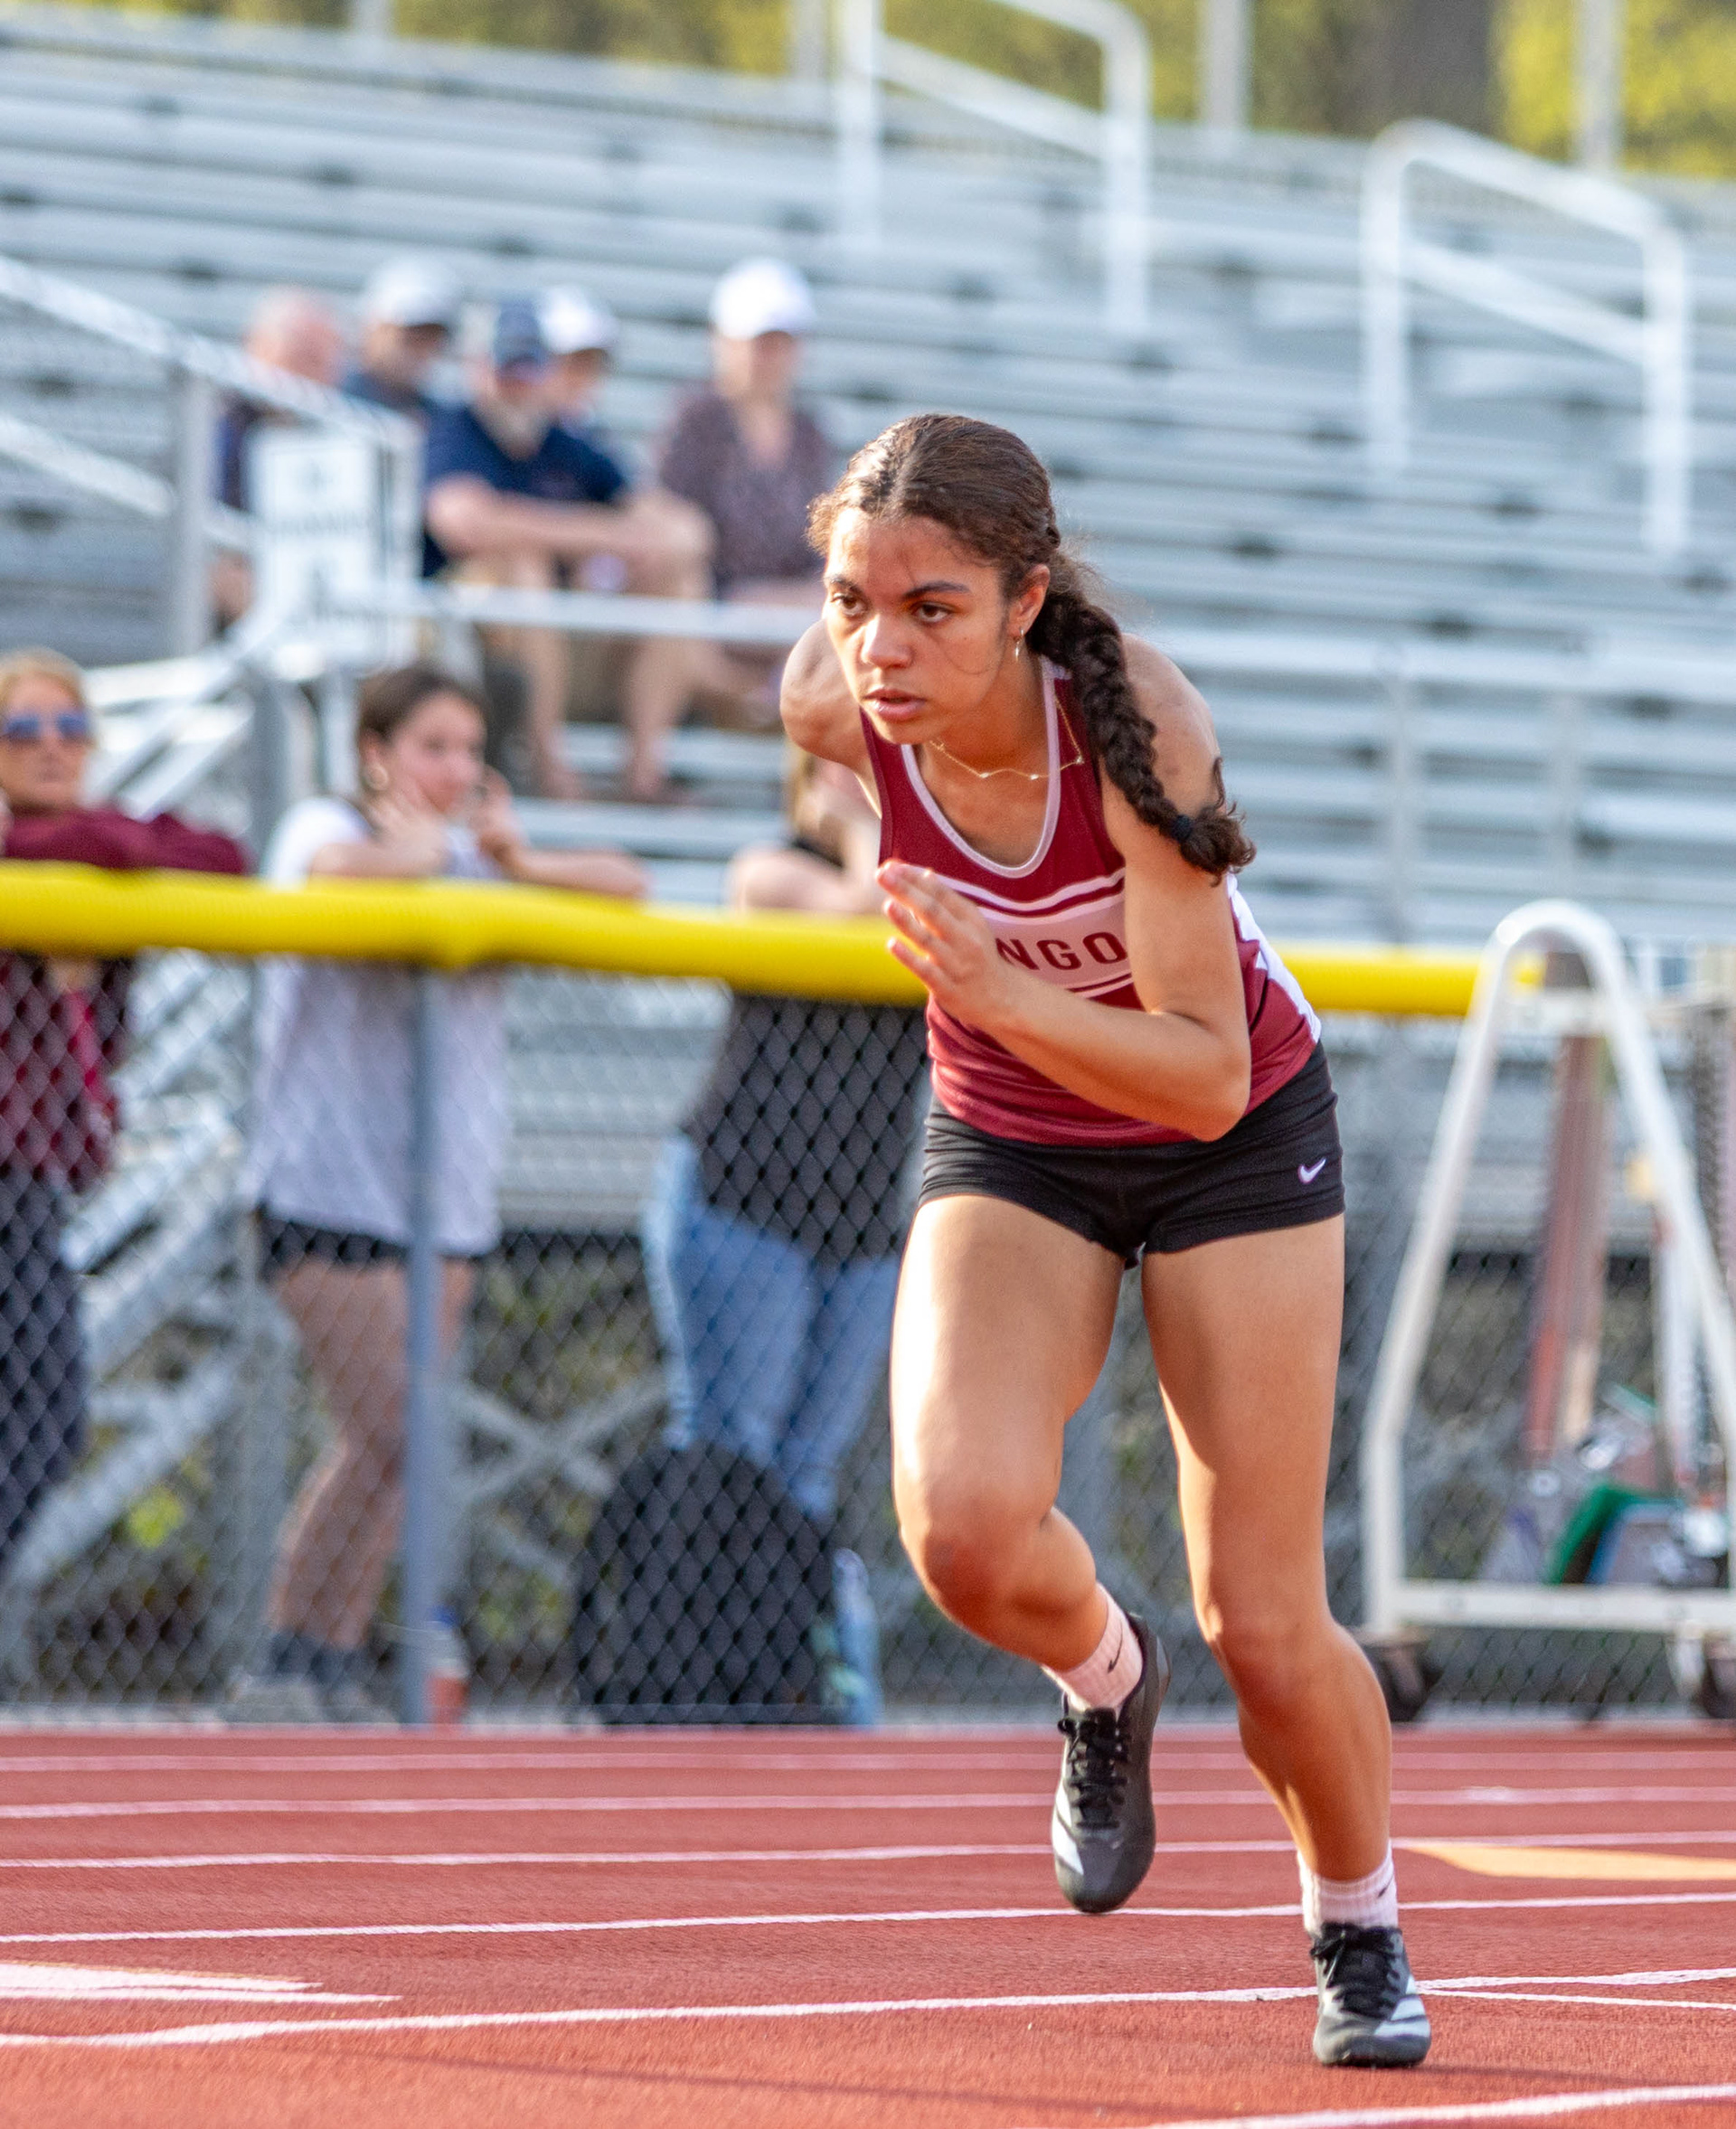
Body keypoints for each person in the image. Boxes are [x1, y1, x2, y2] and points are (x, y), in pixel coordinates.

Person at [781, 414, 1430, 2071]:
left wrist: (998, 988)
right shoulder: (837, 707)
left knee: (1266, 1621)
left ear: (1027, 601)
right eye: (853, 601)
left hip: (1230, 1143)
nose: (881, 646)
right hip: (1019, 1140)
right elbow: (850, 641)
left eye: (931, 608)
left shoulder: (1141, 722)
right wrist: (999, 1020)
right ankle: (1107, 1676)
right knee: (963, 1533)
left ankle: (1357, 1924)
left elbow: (1205, 1074)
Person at [231, 663, 646, 1724]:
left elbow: (627, 886)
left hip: (443, 1200)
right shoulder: (328, 828)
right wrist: (429, 850)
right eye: (433, 747)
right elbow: (331, 874)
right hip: (327, 1186)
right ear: (376, 753)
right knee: (394, 1429)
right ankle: (280, 1659)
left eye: (470, 750)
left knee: (395, 1451)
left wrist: (522, 860)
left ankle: (322, 1662)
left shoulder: (473, 857)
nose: (458, 769)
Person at [0, 649, 246, 1587]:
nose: (50, 747)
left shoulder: (91, 856)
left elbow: (222, 857)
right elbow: (94, 846)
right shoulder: (39, 854)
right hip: (8, 1172)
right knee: (45, 1411)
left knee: (46, 1419)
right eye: (22, 729)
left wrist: (112, 843)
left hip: (39, 1176)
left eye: (71, 727)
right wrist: (114, 841)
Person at [642, 749, 929, 1528]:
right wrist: (864, 830)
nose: (864, 780)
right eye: (843, 763)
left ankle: (792, 1614)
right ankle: (698, 1611)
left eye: (882, 764)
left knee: (810, 1469)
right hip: (742, 1202)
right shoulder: (767, 869)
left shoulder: (932, 889)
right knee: (730, 1451)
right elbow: (865, 911)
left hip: (862, 1219)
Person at [423, 298, 712, 803]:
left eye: (529, 367)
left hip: (554, 643)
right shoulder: (452, 431)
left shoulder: (565, 442)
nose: (518, 382)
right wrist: (599, 534)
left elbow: (682, 530)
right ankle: (549, 767)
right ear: (477, 367)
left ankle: (644, 772)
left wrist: (631, 542)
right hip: (470, 644)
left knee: (675, 578)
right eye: (506, 366)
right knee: (522, 566)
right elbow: (463, 523)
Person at [647, 257, 833, 743]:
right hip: (710, 604)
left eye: (780, 343)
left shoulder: (809, 434)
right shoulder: (697, 421)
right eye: (759, 342)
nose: (769, 357)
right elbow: (674, 521)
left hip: (786, 606)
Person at [212, 287, 347, 625]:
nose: (308, 378)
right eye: (299, 358)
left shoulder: (351, 433)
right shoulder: (218, 432)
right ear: (255, 348)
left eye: (321, 361)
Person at [344, 258, 462, 429]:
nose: (420, 351)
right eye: (410, 337)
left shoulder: (442, 415)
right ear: (373, 328)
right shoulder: (329, 397)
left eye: (432, 340)